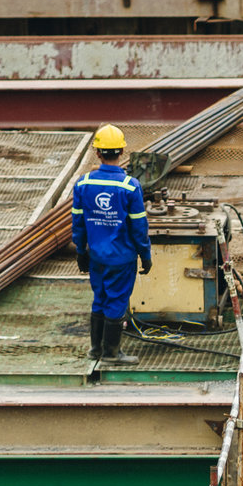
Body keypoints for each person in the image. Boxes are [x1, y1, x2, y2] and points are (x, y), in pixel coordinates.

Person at [71, 124, 149, 367]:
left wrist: (80, 251)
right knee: (116, 300)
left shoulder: (83, 184)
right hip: (121, 258)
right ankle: (112, 354)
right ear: (122, 151)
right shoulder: (130, 186)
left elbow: (78, 222)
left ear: (97, 153)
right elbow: (139, 227)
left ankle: (96, 349)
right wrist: (145, 255)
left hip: (96, 255)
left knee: (100, 298)